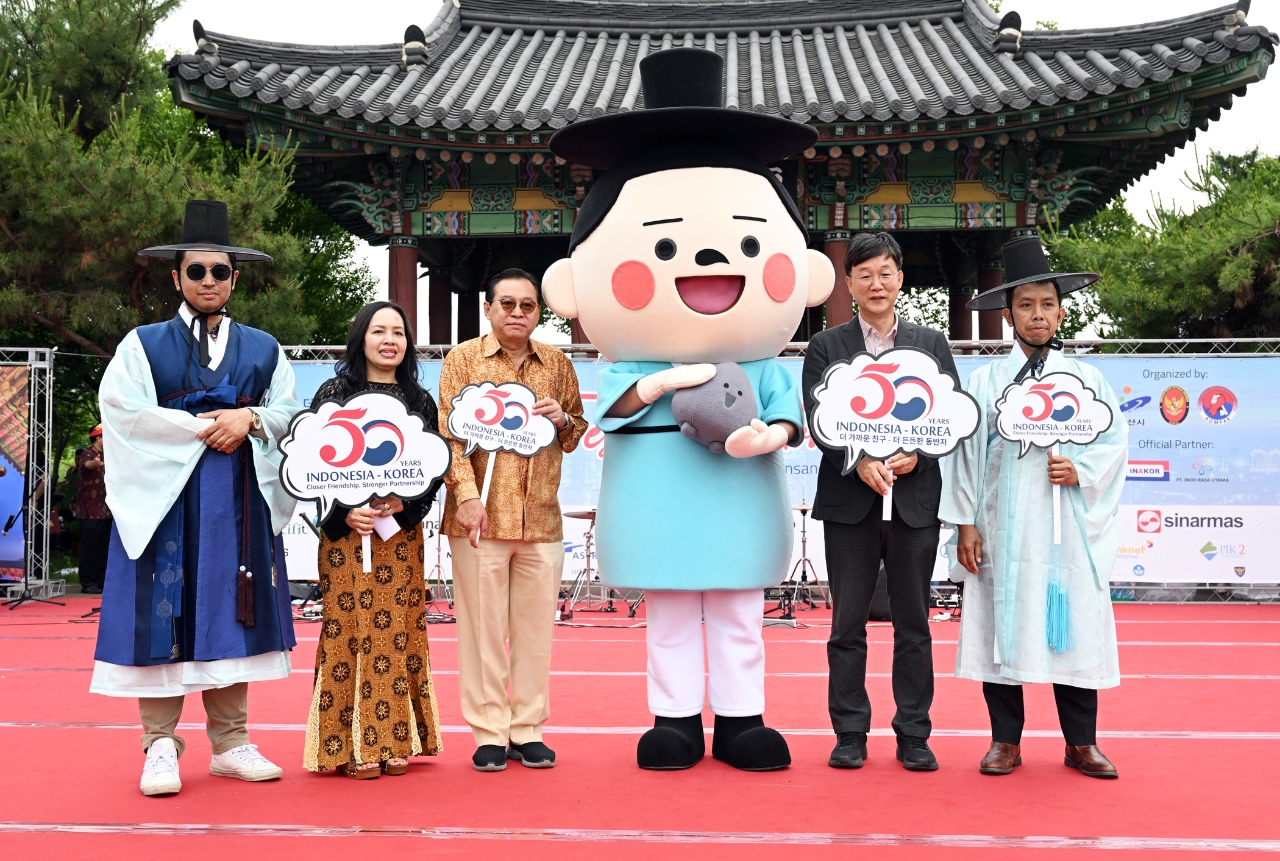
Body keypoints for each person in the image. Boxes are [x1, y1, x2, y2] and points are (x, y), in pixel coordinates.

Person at [544, 47, 834, 772]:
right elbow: (609, 409)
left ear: (805, 276)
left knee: (739, 615)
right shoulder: (628, 362)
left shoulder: (763, 362)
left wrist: (764, 434)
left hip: (740, 494)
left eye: (742, 241)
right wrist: (659, 385)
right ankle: (672, 718)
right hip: (659, 501)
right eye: (667, 244)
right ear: (573, 286)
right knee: (670, 615)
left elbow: (785, 416)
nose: (708, 258)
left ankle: (742, 720)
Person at [91, 200, 302, 797]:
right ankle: (159, 745)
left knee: (233, 612)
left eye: (219, 271)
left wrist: (251, 418)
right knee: (164, 616)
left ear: (235, 277)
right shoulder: (142, 344)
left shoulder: (263, 348)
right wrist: (209, 426)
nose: (208, 281)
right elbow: (124, 414)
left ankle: (231, 743)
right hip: (165, 501)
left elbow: (289, 413)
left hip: (237, 507)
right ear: (176, 277)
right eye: (196, 271)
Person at [941, 236, 1127, 778]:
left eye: (1047, 304)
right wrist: (967, 524)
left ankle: (1081, 742)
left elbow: (1113, 447)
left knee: (1074, 626)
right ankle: (1005, 742)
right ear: (1009, 314)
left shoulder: (1087, 380)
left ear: (1062, 311)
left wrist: (1081, 470)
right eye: (1026, 305)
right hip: (1003, 528)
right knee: (1001, 628)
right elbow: (964, 459)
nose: (1037, 315)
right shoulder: (983, 383)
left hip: (1066, 526)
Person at [801, 231, 958, 773]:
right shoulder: (826, 346)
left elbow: (948, 418)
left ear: (900, 279)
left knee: (914, 622)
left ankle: (914, 733)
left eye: (885, 272)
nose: (876, 283)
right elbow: (820, 423)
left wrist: (917, 453)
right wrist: (859, 462)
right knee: (847, 624)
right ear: (849, 282)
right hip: (851, 503)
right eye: (864, 273)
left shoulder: (931, 344)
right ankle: (850, 733)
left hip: (913, 503)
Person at [437, 267, 587, 772]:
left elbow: (574, 430)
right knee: (482, 632)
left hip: (541, 518)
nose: (517, 313)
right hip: (478, 519)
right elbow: (449, 437)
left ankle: (528, 729)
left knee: (534, 631)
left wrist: (563, 419)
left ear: (538, 312)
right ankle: (488, 732)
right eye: (507, 304)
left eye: (527, 305)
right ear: (488, 309)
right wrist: (464, 494)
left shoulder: (559, 364)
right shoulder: (462, 360)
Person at [302, 301, 445, 779]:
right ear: (361, 337)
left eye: (399, 333)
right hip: (347, 537)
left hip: (399, 538)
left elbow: (433, 470)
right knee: (349, 630)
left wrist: (406, 506)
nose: (390, 340)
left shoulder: (419, 400)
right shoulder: (335, 392)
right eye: (379, 331)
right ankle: (348, 747)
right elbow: (310, 465)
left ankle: (393, 741)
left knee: (398, 629)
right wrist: (346, 512)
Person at [74, 425, 111, 595]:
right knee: (90, 548)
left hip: (106, 510)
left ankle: (102, 580)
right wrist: (94, 463)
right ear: (99, 438)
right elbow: (86, 465)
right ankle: (88, 582)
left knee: (103, 547)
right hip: (90, 510)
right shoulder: (87, 454)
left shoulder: (109, 455)